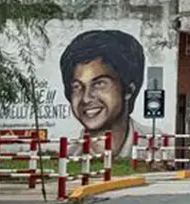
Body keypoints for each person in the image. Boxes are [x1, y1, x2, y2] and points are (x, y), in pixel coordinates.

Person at [59, 30, 145, 158]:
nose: (86, 98)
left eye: (99, 84)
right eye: (77, 87)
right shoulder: (68, 158)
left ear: (128, 89)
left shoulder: (160, 148)